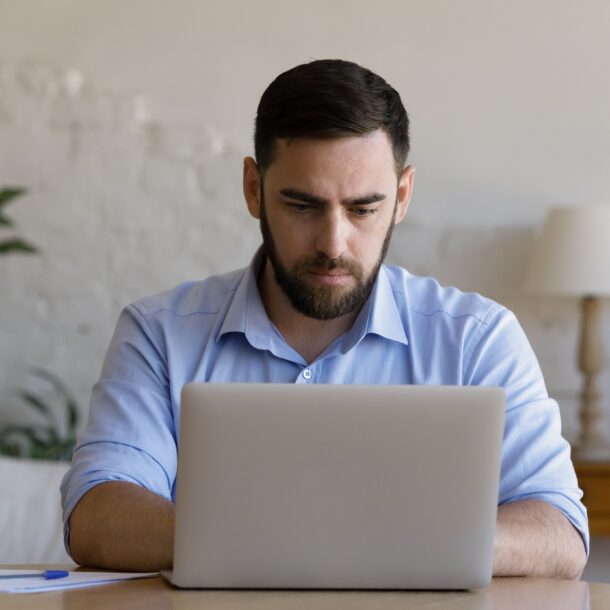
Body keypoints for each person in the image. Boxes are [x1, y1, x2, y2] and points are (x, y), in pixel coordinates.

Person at [61, 59, 588, 578]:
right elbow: (96, 514)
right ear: (252, 188)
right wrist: (330, 542)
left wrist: (377, 544)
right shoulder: (158, 333)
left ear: (402, 197)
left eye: (363, 209)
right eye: (302, 206)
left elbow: (559, 531)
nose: (333, 245)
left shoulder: (478, 339)